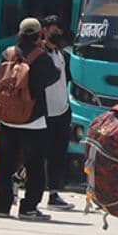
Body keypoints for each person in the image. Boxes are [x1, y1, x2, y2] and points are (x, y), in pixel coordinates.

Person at [0, 18, 60, 221]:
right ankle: (28, 207)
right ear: (39, 35)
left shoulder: (7, 53)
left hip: (8, 118)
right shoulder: (42, 56)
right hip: (33, 119)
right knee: (34, 165)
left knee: (6, 164)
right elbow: (53, 77)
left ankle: (3, 205)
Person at [40, 16, 74, 210]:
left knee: (57, 155)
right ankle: (18, 181)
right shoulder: (38, 53)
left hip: (61, 110)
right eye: (54, 30)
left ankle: (53, 194)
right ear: (44, 30)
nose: (57, 34)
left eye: (59, 31)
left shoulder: (62, 55)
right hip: (43, 112)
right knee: (37, 154)